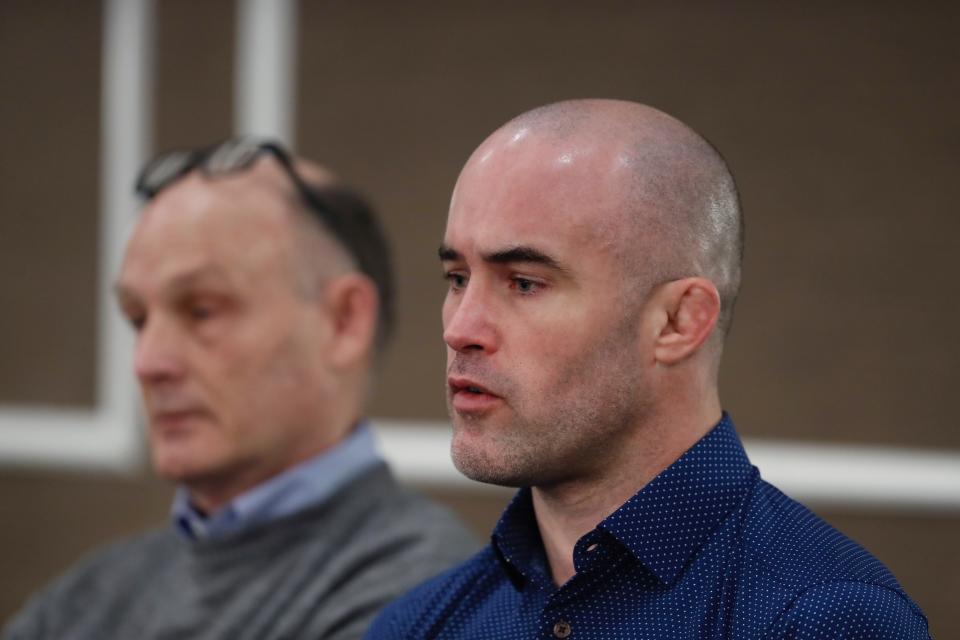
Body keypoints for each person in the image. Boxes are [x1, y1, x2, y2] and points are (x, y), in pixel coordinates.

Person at [367, 101, 931, 639]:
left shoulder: (821, 620)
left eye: (524, 283)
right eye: (458, 279)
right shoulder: (420, 625)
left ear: (678, 322)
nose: (460, 328)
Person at [3, 138, 476, 640]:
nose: (147, 363)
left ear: (343, 322)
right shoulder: (91, 593)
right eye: (138, 319)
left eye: (202, 310)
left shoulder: (426, 596)